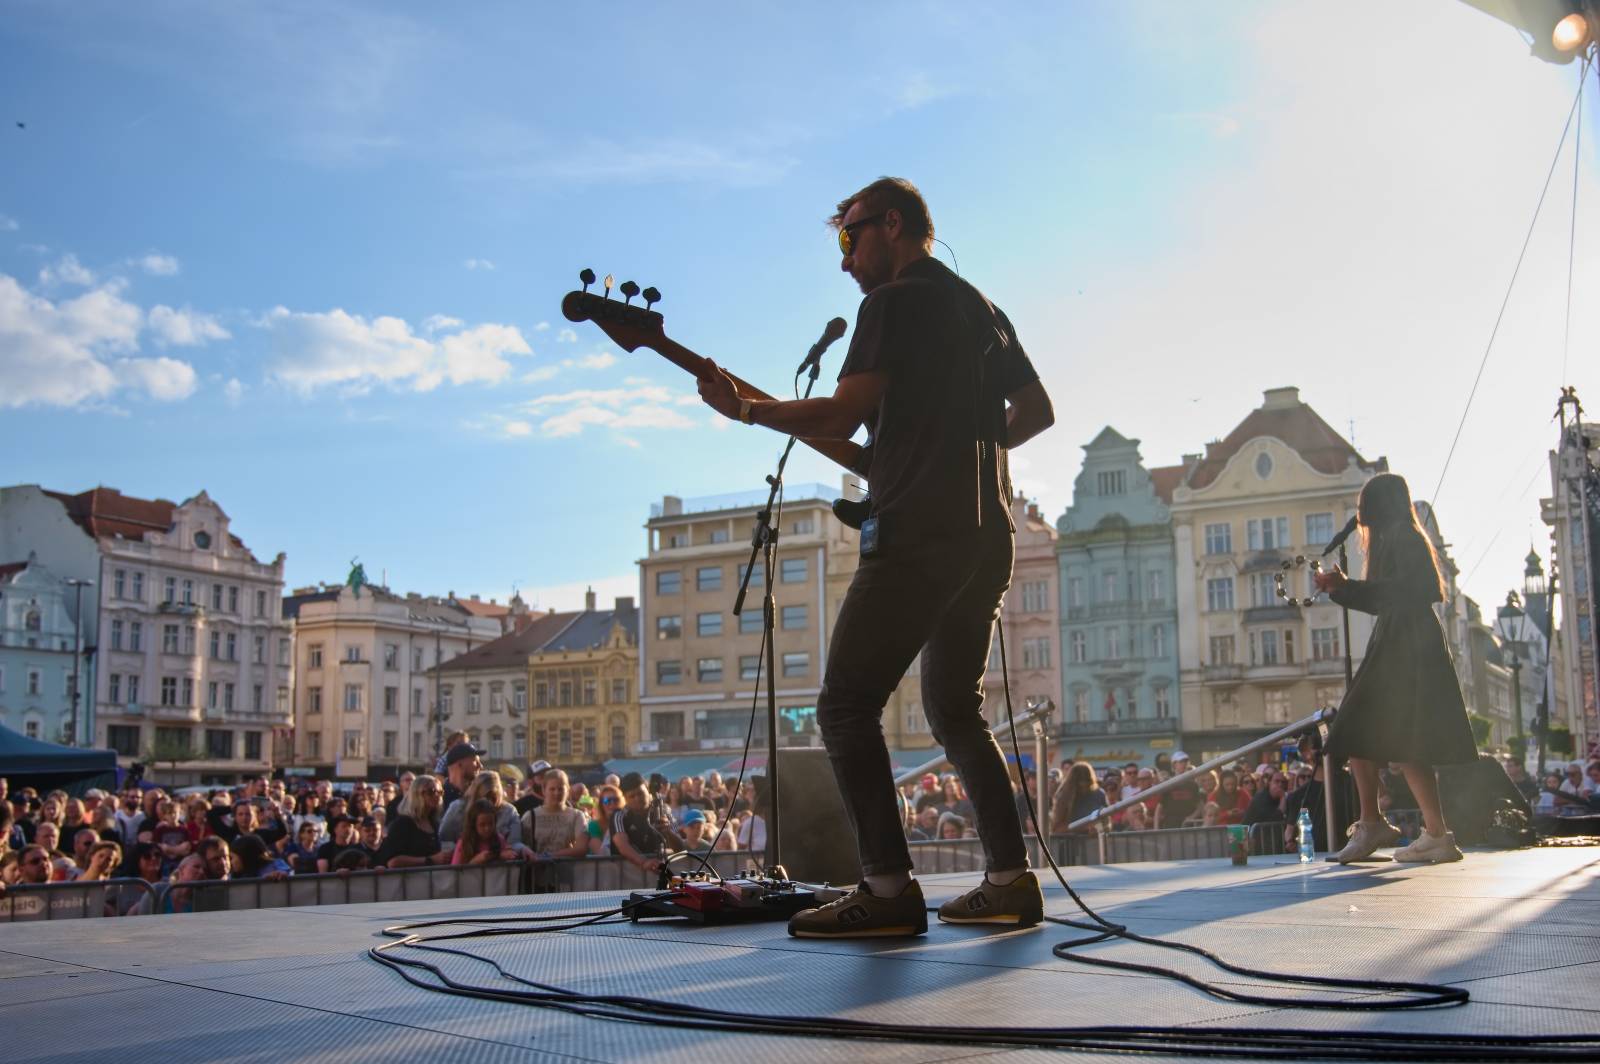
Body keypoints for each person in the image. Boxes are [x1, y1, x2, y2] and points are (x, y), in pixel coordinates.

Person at [696, 178, 1053, 938]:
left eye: (848, 238)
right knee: (955, 709)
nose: (845, 259)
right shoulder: (983, 310)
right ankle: (1010, 881)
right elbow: (1036, 412)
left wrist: (748, 410)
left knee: (846, 705)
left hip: (917, 532)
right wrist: (955, 449)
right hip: (986, 536)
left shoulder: (893, 303)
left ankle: (888, 889)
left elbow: (844, 410)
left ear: (892, 224)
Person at [1314, 473, 1479, 864]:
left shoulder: (1403, 537)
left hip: (1404, 641)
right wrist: (1342, 589)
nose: (1360, 512)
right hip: (1403, 637)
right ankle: (1432, 833)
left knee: (1356, 726)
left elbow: (1414, 590)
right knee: (1404, 741)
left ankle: (1376, 824)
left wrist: (1346, 584)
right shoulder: (1398, 537)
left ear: (1376, 504)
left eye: (1364, 503)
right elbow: (1382, 599)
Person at [440, 770, 531, 862]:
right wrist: (461, 851)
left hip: (498, 871)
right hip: (466, 866)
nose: (489, 803)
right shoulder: (458, 808)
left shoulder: (509, 812)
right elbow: (444, 837)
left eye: (493, 798)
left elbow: (514, 843)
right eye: (485, 797)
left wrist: (523, 849)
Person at [609, 772, 683, 875]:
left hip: (661, 876)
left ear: (647, 789)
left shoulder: (663, 810)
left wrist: (669, 832)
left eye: (640, 793)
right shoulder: (619, 815)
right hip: (627, 877)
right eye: (632, 796)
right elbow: (622, 845)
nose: (637, 799)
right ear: (625, 798)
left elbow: (681, 849)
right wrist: (643, 862)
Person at [374, 774, 452, 868]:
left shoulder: (434, 823)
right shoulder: (403, 824)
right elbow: (393, 862)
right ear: (417, 794)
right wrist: (430, 860)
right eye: (432, 792)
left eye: (440, 792)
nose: (437, 796)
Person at [522, 769, 588, 861]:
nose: (557, 793)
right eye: (552, 789)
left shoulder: (576, 816)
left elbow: (581, 848)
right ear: (544, 790)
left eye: (561, 789)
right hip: (536, 872)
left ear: (568, 790)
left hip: (566, 871)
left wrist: (548, 856)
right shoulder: (530, 816)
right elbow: (520, 846)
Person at [452, 799, 517, 865]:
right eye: (482, 825)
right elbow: (455, 872)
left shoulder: (499, 839)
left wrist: (510, 853)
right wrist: (474, 862)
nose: (487, 828)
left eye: (491, 823)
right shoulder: (464, 843)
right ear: (473, 825)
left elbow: (509, 855)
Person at [1050, 762, 1108, 834]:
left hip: (1095, 842)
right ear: (1074, 782)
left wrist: (1098, 828)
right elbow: (1056, 829)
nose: (1083, 787)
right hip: (1070, 843)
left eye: (1086, 782)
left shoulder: (1099, 794)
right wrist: (1082, 827)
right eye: (1080, 783)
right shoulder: (1064, 796)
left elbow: (1107, 823)